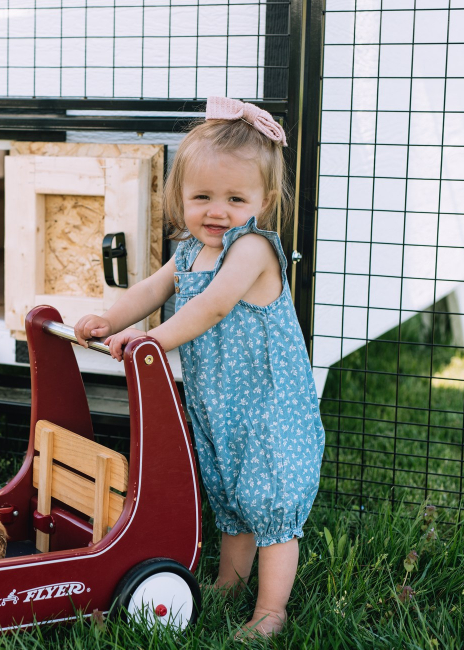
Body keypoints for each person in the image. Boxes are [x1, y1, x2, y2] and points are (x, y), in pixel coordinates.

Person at [73, 97, 325, 638]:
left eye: (236, 198)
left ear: (265, 200)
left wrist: (152, 342)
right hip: (219, 404)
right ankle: (229, 582)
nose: (217, 211)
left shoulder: (253, 248)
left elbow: (212, 306)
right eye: (202, 196)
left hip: (267, 407)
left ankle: (270, 612)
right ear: (180, 197)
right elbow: (152, 289)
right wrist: (111, 319)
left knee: (270, 505)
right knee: (230, 495)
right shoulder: (188, 251)